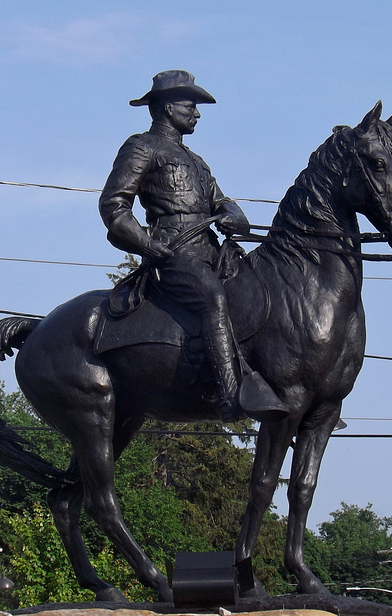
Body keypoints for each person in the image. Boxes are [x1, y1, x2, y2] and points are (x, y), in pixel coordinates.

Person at [99, 70, 252, 421]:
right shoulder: (142, 146)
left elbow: (222, 201)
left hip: (212, 251)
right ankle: (229, 395)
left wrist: (234, 215)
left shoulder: (197, 161)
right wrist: (148, 244)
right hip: (174, 253)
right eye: (191, 105)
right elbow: (114, 206)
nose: (196, 113)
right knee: (212, 296)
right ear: (168, 108)